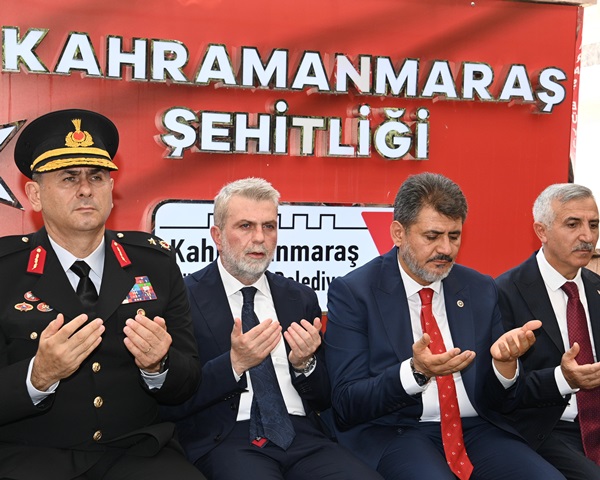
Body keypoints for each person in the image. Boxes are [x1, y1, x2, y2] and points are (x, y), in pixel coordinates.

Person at [0, 109, 205, 480]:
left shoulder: (154, 262)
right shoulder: (5, 270)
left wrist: (159, 366)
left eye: (96, 176)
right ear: (35, 194)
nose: (85, 189)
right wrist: (37, 376)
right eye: (68, 178)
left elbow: (188, 382)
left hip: (137, 453)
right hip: (35, 457)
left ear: (111, 188)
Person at [324, 172, 566, 480]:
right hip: (397, 431)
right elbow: (346, 402)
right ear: (398, 233)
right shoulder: (355, 292)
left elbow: (500, 400)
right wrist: (416, 372)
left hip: (477, 430)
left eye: (454, 236)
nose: (446, 249)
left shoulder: (479, 288)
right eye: (432, 236)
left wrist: (504, 366)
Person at [162, 177, 383, 480]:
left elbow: (324, 398)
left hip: (303, 436)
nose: (259, 238)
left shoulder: (300, 298)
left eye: (269, 226)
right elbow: (173, 398)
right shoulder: (183, 299)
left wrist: (305, 364)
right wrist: (234, 364)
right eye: (245, 226)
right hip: (227, 438)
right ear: (217, 235)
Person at [496, 183, 600, 479]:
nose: (587, 236)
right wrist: (563, 379)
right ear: (541, 231)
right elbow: (499, 393)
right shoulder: (504, 292)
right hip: (548, 428)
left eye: (593, 225)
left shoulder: (596, 288)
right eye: (573, 224)